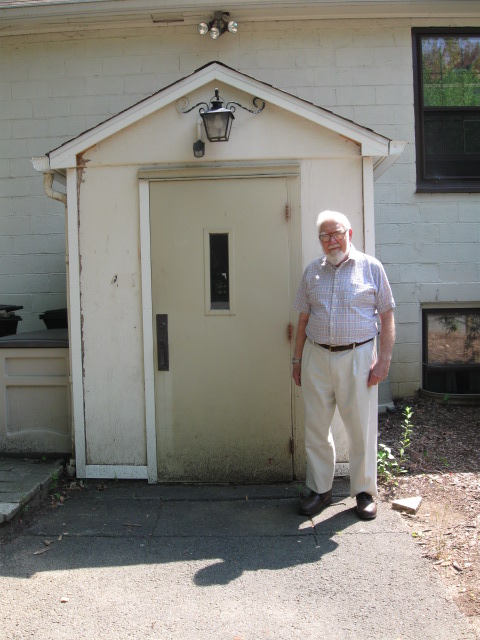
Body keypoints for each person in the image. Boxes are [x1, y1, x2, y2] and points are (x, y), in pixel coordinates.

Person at [292, 210, 395, 520]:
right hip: (316, 357)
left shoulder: (371, 268)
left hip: (359, 356)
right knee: (316, 426)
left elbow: (387, 315)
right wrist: (297, 360)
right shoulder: (312, 272)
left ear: (349, 233)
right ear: (320, 241)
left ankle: (364, 492)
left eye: (336, 233)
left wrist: (385, 357)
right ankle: (320, 489)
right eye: (325, 236)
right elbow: (302, 319)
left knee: (360, 427)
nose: (331, 240)